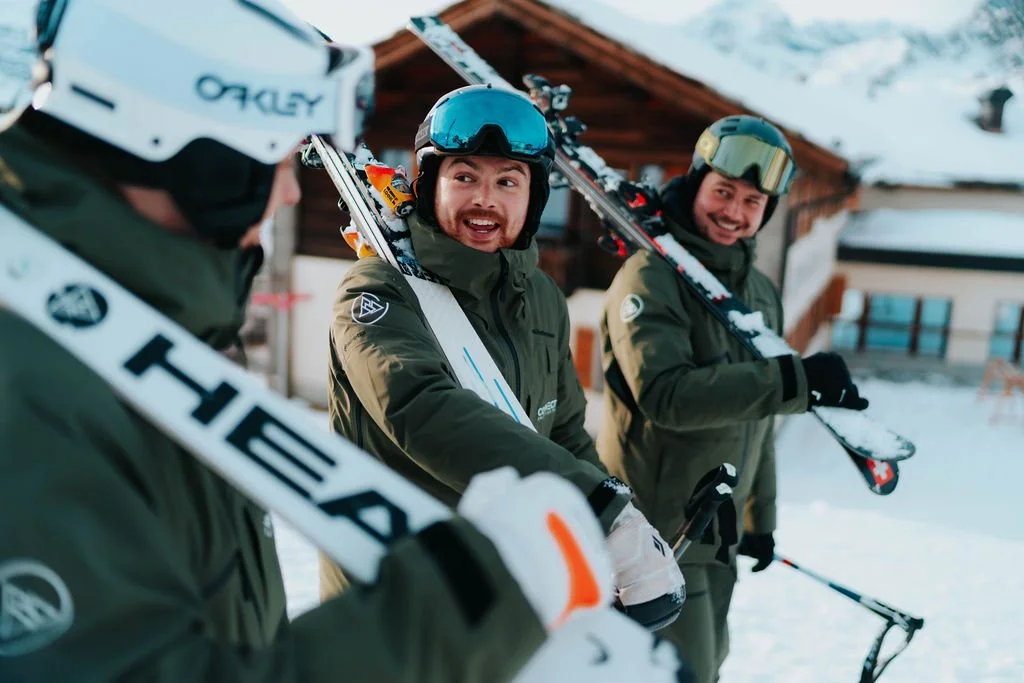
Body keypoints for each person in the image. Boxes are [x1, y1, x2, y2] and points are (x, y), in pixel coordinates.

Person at [0, 2, 635, 681]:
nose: (288, 195)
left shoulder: (146, 328)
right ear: (199, 160)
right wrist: (482, 596)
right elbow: (418, 403)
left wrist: (603, 513)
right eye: (274, 157)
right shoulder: (37, 384)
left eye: (508, 181)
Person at [322, 84, 686, 631]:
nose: (485, 200)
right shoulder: (377, 291)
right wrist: (595, 506)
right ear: (430, 185)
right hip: (394, 610)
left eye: (508, 182)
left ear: (533, 198)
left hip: (504, 600)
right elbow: (421, 408)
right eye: (464, 177)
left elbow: (564, 433)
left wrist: (609, 538)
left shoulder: (540, 298)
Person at [596, 114, 870, 683]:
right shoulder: (650, 278)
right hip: (652, 536)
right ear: (697, 184)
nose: (734, 212)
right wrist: (793, 382)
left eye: (752, 201)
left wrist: (758, 519)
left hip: (716, 534)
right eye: (722, 192)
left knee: (706, 666)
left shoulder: (757, 292)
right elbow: (665, 395)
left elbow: (759, 420)